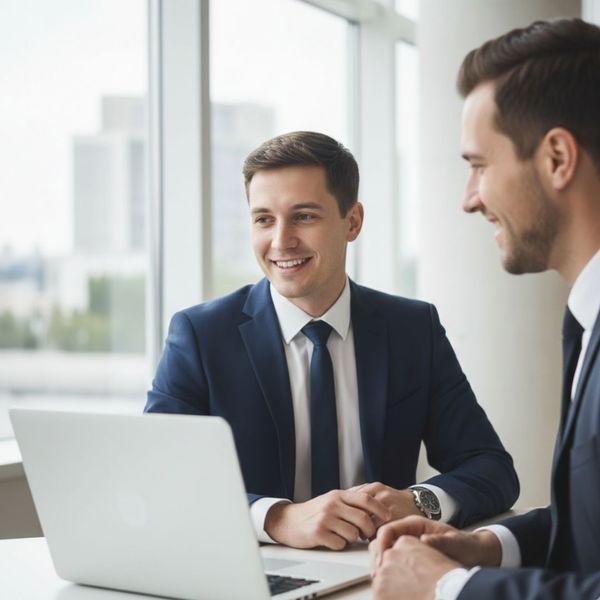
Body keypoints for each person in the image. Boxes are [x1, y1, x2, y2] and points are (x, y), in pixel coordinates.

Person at [145, 131, 518, 550]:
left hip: (378, 574)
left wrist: (418, 502)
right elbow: (159, 479)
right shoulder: (201, 335)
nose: (281, 240)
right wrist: (277, 517)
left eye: (303, 216)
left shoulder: (413, 329)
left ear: (353, 221)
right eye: (263, 219)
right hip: (253, 575)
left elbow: (491, 469)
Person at [369, 17, 600, 600]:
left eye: (478, 164)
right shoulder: (587, 320)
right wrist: (487, 545)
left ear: (556, 158)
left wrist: (452, 588)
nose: (468, 199)